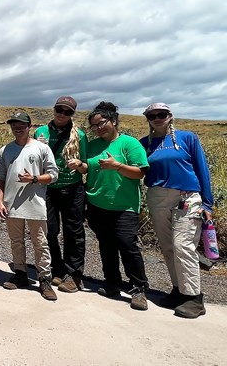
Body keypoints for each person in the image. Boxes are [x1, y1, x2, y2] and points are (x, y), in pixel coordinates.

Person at [140, 103, 214, 319]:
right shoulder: (145, 144)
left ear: (170, 116)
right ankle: (178, 290)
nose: (157, 118)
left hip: (186, 196)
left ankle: (194, 298)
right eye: (152, 115)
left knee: (184, 246)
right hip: (157, 196)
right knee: (168, 247)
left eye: (161, 114)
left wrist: (207, 204)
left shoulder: (187, 138)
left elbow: (202, 169)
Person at [74, 101, 150, 311]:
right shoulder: (94, 144)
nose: (98, 128)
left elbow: (140, 172)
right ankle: (112, 283)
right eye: (94, 126)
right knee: (106, 245)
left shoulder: (129, 143)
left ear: (114, 121)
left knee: (127, 245)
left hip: (124, 206)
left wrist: (117, 166)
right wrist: (79, 165)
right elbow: (88, 167)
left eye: (102, 123)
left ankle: (139, 288)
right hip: (97, 203)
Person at [0, 111, 59, 301]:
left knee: (40, 243)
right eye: (14, 125)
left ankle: (44, 279)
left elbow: (54, 175)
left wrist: (34, 179)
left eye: (21, 125)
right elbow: (1, 178)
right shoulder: (5, 150)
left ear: (29, 126)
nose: (17, 128)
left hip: (35, 204)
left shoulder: (42, 148)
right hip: (12, 204)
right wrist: (0, 200)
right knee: (16, 241)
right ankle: (21, 274)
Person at [34, 96, 88, 293]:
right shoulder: (41, 132)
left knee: (73, 231)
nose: (62, 114)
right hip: (47, 188)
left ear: (72, 114)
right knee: (49, 230)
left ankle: (74, 275)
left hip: (72, 188)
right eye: (60, 110)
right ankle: (57, 268)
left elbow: (86, 166)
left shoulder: (79, 135)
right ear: (54, 109)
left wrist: (79, 165)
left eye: (68, 112)